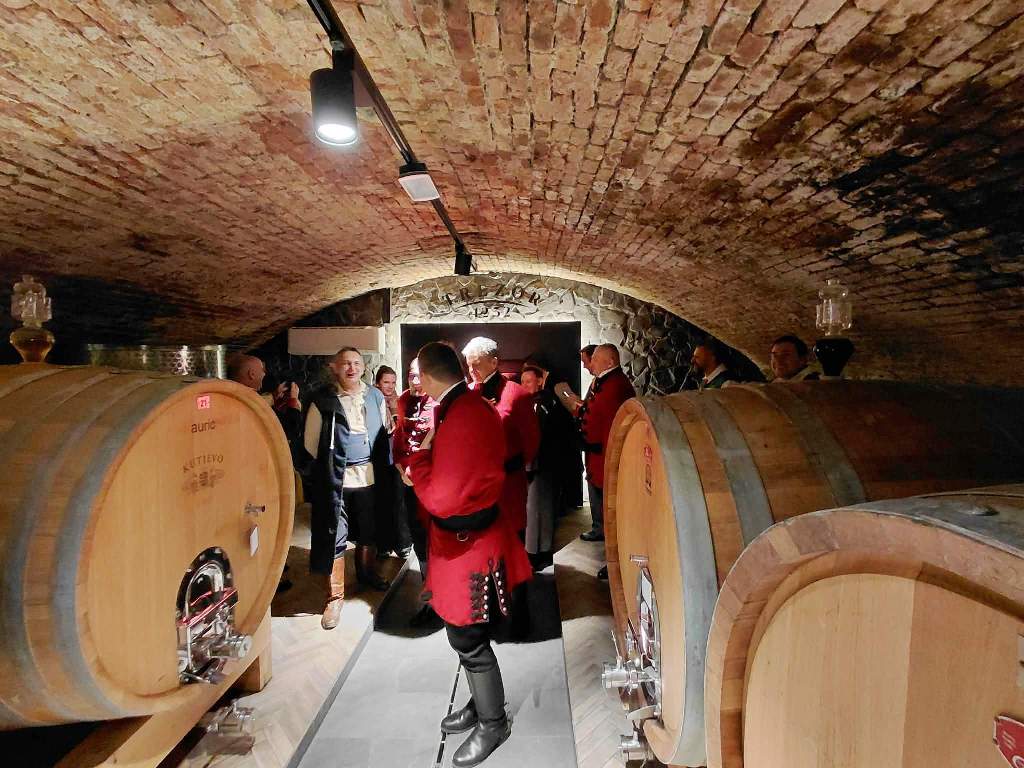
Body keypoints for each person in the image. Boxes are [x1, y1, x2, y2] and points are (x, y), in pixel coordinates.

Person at [405, 342, 531, 768]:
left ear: (426, 377)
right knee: (470, 634)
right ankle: (481, 705)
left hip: (468, 546)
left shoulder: (461, 414)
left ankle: (493, 722)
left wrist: (418, 465)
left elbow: (443, 499)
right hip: (469, 541)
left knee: (468, 638)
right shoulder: (468, 405)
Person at [302, 347, 392, 630]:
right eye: (345, 364)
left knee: (368, 527)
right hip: (336, 480)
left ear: (363, 368)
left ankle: (366, 574)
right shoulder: (322, 400)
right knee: (335, 533)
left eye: (356, 363)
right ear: (335, 368)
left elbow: (384, 430)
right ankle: (335, 597)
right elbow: (311, 443)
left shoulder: (375, 396)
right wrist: (335, 465)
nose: (351, 368)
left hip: (369, 476)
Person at [229, 353, 295, 594]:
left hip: (246, 476)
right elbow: (286, 430)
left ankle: (270, 568)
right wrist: (293, 404)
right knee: (258, 527)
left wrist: (275, 397)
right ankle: (266, 578)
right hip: (253, 478)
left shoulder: (236, 398)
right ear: (251, 374)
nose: (265, 374)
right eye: (261, 370)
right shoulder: (248, 402)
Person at [462, 337, 540, 537]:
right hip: (475, 485)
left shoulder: (517, 394)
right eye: (469, 365)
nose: (471, 371)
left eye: (476, 365)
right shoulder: (466, 394)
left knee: (510, 536)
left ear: (494, 362)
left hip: (508, 484)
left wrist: (511, 466)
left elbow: (531, 439)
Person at [578, 345, 635, 578]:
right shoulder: (605, 383)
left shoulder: (616, 386)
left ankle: (615, 563)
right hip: (598, 458)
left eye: (595, 359)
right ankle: (610, 560)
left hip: (607, 459)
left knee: (614, 516)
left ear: (610, 362)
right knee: (606, 513)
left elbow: (611, 425)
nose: (591, 364)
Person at [392, 358, 438, 625]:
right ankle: (429, 600)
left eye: (420, 375)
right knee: (420, 541)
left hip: (432, 485)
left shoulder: (439, 403)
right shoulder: (403, 400)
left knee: (436, 542)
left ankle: (440, 601)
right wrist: (402, 470)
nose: (415, 381)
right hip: (409, 483)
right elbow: (399, 438)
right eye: (411, 375)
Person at [521, 365, 574, 570]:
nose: (524, 385)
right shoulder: (546, 401)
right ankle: (543, 552)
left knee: (535, 509)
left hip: (539, 463)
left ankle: (534, 555)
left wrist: (529, 463)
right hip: (546, 464)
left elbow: (538, 437)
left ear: (540, 381)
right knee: (542, 509)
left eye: (528, 381)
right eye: (522, 382)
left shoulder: (540, 404)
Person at [374, 365, 412, 560]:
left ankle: (403, 544)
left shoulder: (400, 401)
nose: (390, 386)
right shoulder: (373, 400)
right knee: (381, 503)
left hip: (397, 459)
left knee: (399, 502)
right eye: (386, 382)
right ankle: (384, 544)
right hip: (379, 459)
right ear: (378, 383)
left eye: (393, 382)